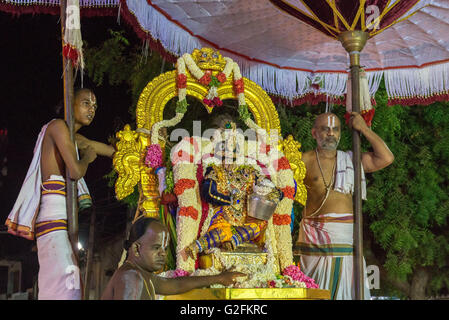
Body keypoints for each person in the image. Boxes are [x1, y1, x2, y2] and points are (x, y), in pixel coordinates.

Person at [5, 88, 115, 300]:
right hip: (53, 223)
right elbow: (75, 171)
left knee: (68, 285)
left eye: (94, 106)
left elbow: (106, 150)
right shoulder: (57, 127)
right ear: (69, 103)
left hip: (58, 224)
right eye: (86, 103)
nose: (91, 109)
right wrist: (87, 159)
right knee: (67, 287)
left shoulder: (72, 138)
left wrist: (134, 148)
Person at [296, 112, 394, 300]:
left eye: (335, 129)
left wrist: (364, 129)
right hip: (315, 240)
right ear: (314, 133)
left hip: (346, 240)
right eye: (325, 129)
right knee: (315, 293)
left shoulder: (351, 160)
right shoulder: (303, 160)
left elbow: (386, 158)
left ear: (340, 133)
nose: (331, 133)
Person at [101, 217, 246, 300]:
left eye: (164, 248)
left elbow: (175, 285)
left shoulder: (142, 275)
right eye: (156, 247)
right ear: (136, 249)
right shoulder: (131, 277)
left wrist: (219, 278)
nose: (163, 253)